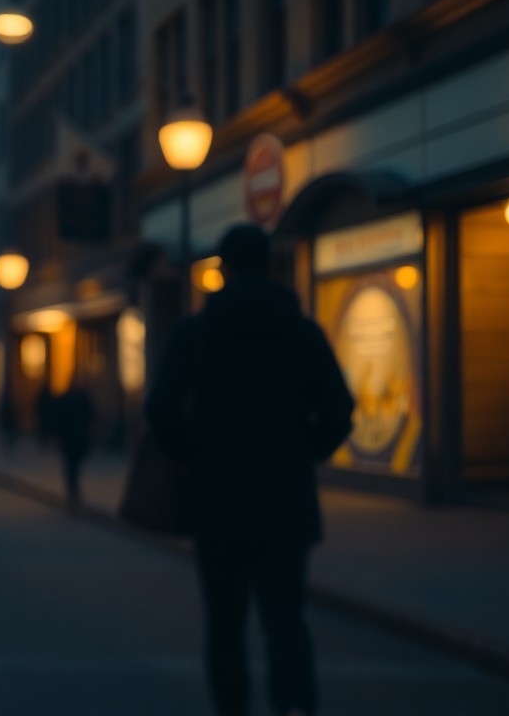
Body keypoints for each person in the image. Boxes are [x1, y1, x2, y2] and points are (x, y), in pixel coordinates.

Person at [145, 225, 354, 716]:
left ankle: (233, 708)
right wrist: (306, 451)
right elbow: (340, 410)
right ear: (273, 266)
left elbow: (160, 409)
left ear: (223, 269)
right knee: (286, 619)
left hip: (218, 503)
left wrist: (193, 455)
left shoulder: (196, 333)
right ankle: (295, 706)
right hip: (286, 499)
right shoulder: (302, 332)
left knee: (225, 625)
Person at [52, 383, 95, 506]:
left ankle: (73, 489)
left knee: (70, 464)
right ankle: (74, 489)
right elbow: (90, 416)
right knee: (74, 464)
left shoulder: (65, 400)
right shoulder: (83, 399)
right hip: (78, 437)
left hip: (69, 438)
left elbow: (58, 419)